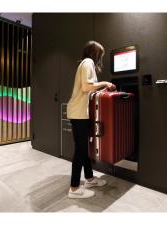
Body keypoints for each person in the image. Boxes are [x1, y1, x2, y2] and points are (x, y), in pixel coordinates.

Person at [67, 41, 116, 199]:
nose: (101, 57)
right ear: (94, 53)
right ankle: (74, 188)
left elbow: (89, 88)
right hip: (79, 113)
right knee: (81, 149)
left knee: (84, 147)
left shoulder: (86, 64)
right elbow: (86, 87)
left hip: (81, 113)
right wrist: (106, 83)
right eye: (100, 54)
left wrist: (101, 87)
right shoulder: (88, 62)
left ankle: (89, 179)